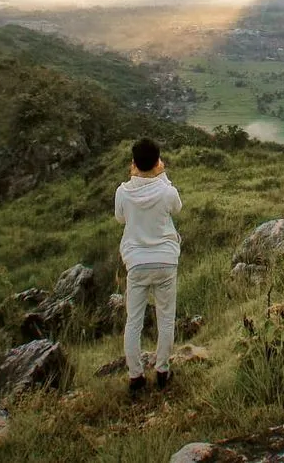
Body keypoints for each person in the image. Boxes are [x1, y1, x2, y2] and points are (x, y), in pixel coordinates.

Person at [114, 137, 182, 395]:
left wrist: (138, 179)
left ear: (133, 163)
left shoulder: (123, 192)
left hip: (137, 264)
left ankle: (136, 376)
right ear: (158, 163)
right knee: (166, 319)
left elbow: (120, 218)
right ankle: (163, 370)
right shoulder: (167, 191)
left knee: (134, 322)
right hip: (165, 261)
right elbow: (177, 207)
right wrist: (162, 178)